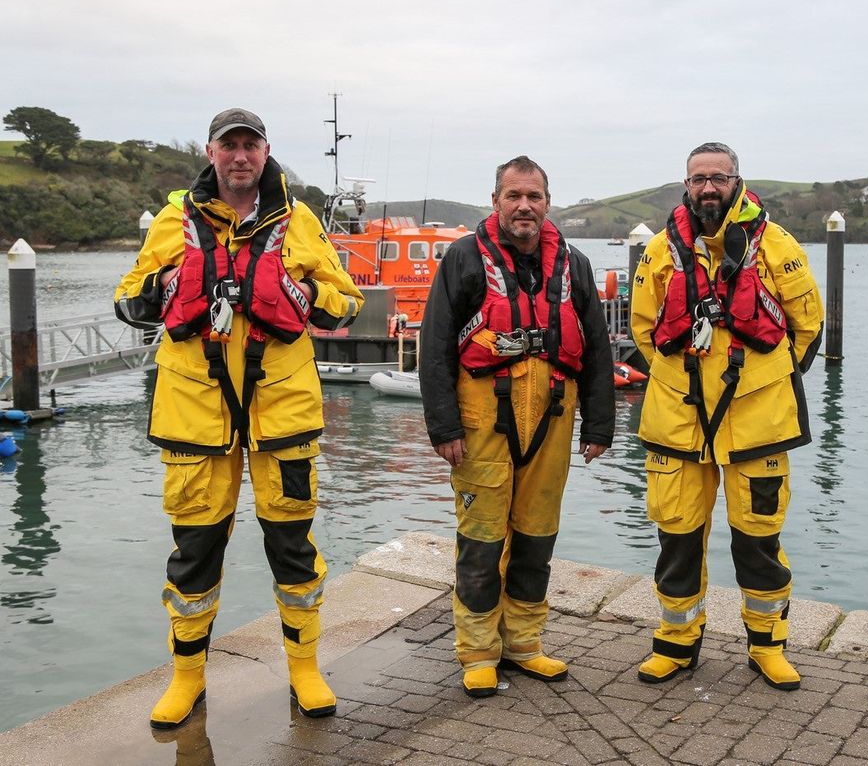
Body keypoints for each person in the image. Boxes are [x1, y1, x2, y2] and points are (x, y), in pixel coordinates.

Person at [114, 108, 363, 728]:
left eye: (250, 145)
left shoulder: (299, 220)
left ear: (265, 151)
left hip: (282, 414)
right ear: (211, 152)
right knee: (194, 554)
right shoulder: (175, 221)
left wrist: (304, 295)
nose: (240, 156)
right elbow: (128, 300)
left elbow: (346, 302)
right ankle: (186, 679)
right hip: (194, 413)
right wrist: (166, 286)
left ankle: (305, 669)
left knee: (293, 549)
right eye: (230, 146)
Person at [630, 142, 824, 691]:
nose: (708, 187)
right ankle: (675, 644)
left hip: (757, 421)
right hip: (679, 419)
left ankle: (768, 647)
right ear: (685, 184)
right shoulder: (662, 251)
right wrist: (676, 382)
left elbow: (808, 326)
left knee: (759, 540)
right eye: (699, 179)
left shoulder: (776, 243)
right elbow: (645, 330)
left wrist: (767, 385)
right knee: (677, 537)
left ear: (737, 180)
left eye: (718, 177)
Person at [419, 155, 615, 698]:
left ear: (547, 203)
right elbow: (434, 347)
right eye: (513, 196)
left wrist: (599, 423)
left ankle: (525, 644)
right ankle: (479, 651)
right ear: (496, 202)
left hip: (553, 418)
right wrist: (444, 427)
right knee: (481, 541)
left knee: (536, 536)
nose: (524, 206)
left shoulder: (573, 264)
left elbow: (596, 345)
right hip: (482, 421)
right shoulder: (463, 258)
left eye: (533, 196)